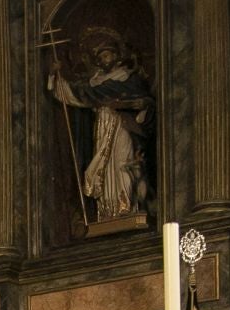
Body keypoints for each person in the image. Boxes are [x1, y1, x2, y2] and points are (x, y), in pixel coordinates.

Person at [48, 27, 155, 222]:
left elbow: (146, 102)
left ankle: (127, 207)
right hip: (102, 125)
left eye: (108, 55)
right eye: (101, 57)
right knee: (105, 168)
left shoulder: (128, 79)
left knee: (123, 163)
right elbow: (73, 95)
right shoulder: (94, 85)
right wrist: (55, 76)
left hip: (122, 126)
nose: (105, 59)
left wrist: (136, 105)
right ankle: (107, 212)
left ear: (116, 55)